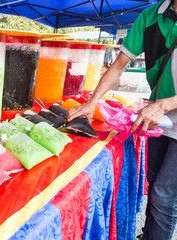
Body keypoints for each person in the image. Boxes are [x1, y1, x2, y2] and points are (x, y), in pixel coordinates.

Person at [68, 0, 177, 239]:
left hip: (164, 109)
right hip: (159, 118)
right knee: (154, 182)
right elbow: (118, 66)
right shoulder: (151, 16)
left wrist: (165, 104)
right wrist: (92, 101)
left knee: (164, 194)